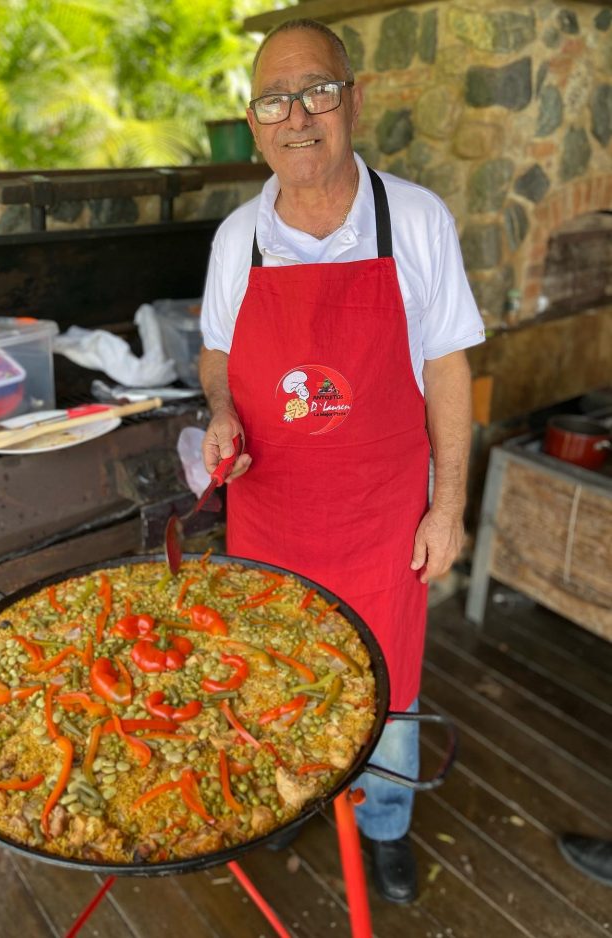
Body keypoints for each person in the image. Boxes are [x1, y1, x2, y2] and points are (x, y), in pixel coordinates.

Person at [198, 18, 485, 904]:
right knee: (274, 668)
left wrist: (447, 506)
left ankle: (386, 827)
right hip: (273, 510)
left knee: (388, 687)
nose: (300, 117)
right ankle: (289, 797)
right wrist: (219, 414)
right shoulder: (237, 239)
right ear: (255, 123)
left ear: (353, 99)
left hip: (382, 513)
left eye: (317, 91)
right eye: (276, 101)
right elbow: (217, 356)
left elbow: (447, 368)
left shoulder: (417, 219)